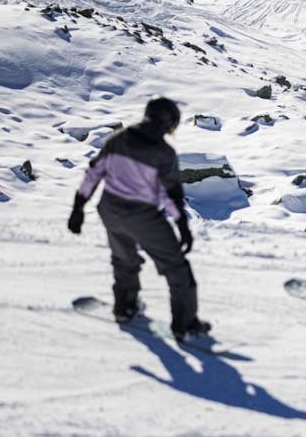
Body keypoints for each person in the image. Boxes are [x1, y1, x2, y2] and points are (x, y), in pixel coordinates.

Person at [67, 97, 209, 341]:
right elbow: (171, 194)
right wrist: (182, 226)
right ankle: (185, 324)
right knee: (176, 267)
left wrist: (78, 207)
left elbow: (95, 173)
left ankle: (125, 308)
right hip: (141, 215)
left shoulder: (118, 138)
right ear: (168, 124)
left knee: (123, 259)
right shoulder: (164, 153)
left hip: (109, 209)